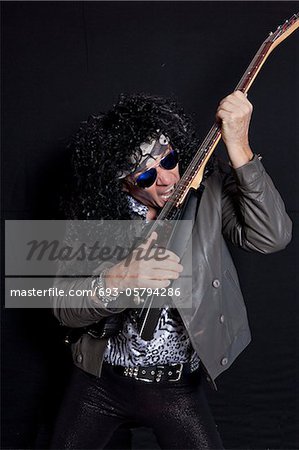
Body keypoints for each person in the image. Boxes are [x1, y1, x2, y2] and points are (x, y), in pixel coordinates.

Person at [50, 91, 292, 449]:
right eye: (146, 176)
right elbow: (62, 308)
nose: (166, 179)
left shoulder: (206, 188)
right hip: (100, 383)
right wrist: (118, 279)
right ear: (122, 183)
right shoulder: (95, 217)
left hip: (177, 387)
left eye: (170, 160)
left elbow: (271, 237)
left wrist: (239, 147)